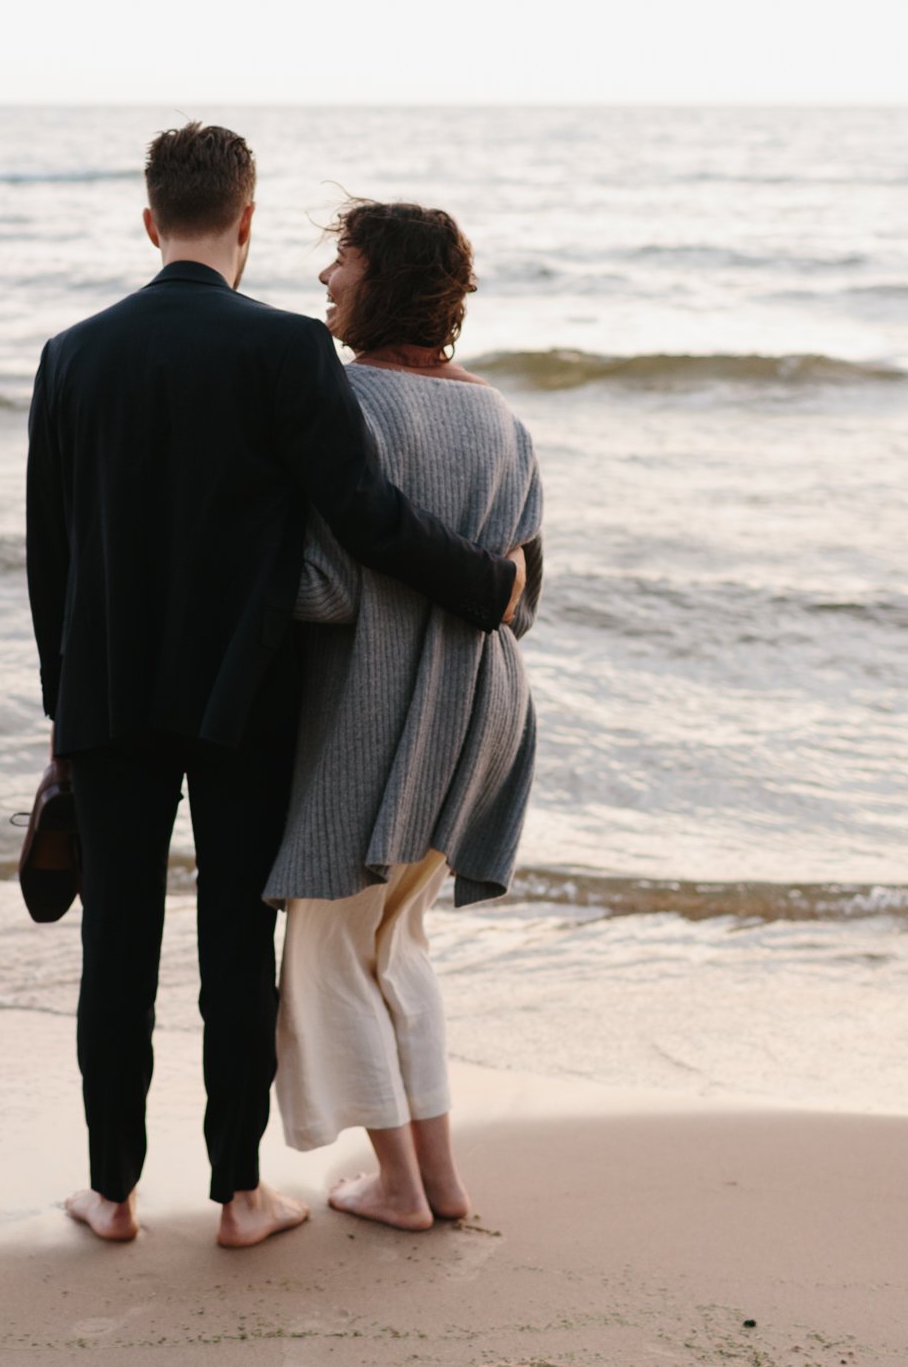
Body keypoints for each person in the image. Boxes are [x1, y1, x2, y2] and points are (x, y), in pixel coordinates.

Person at [25, 125, 526, 1248]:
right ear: (246, 218)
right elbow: (366, 522)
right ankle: (239, 1192)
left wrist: (63, 718)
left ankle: (110, 1193)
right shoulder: (286, 351)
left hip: (104, 701)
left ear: (152, 221)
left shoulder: (70, 353)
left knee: (115, 952)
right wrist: (487, 584)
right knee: (232, 957)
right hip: (244, 700)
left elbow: (47, 561)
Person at [265, 199, 543, 1231]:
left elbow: (325, 591)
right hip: (485, 710)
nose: (327, 278)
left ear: (378, 277)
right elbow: (523, 594)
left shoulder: (350, 407)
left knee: (332, 945)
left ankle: (396, 1184)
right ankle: (439, 1177)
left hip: (383, 708)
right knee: (400, 942)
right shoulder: (501, 417)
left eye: (340, 259)